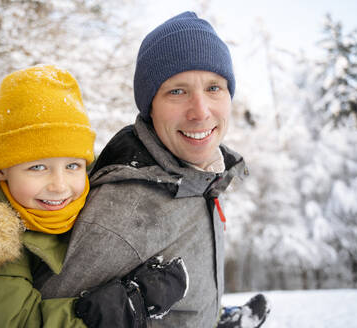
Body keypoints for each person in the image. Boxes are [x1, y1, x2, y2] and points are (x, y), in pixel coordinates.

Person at [0, 65, 188, 327]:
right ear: (1, 170)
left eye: (72, 165)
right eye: (38, 167)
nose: (60, 185)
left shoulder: (63, 198)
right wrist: (125, 307)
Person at [36, 12, 269, 328]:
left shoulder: (201, 177)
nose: (200, 112)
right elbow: (43, 317)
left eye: (214, 87)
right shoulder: (127, 209)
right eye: (177, 91)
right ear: (150, 106)